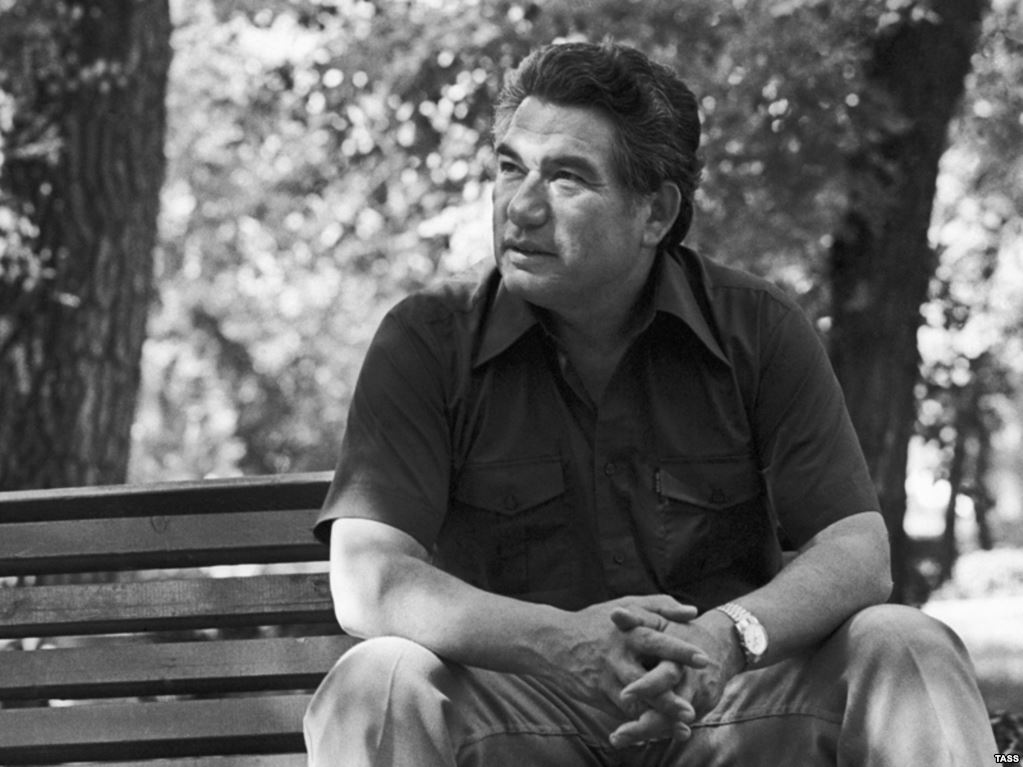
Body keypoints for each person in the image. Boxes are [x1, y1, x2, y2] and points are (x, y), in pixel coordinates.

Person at [304, 40, 995, 766]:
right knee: (376, 681)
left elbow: (857, 550)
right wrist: (561, 643)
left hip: (729, 711)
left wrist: (728, 636)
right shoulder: (426, 340)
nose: (522, 206)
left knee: (905, 644)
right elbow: (369, 580)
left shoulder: (758, 328)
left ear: (655, 213)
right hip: (521, 718)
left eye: (567, 178)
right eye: (509, 168)